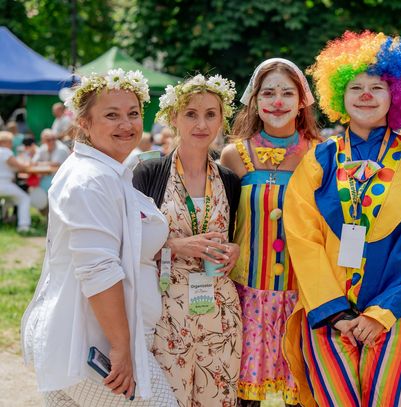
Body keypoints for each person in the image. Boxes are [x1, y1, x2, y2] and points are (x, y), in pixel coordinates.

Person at [281, 31, 401, 407]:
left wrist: (381, 312)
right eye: (355, 87)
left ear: (397, 96)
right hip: (327, 313)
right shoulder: (320, 160)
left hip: (392, 314)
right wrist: (334, 310)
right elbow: (302, 238)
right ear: (340, 95)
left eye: (377, 87)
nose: (366, 94)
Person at [20, 69, 177, 406]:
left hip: (85, 338)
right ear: (84, 123)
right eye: (111, 115)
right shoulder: (91, 179)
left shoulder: (110, 172)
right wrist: (121, 347)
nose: (127, 124)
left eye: (133, 113)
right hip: (89, 343)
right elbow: (98, 268)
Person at [133, 74, 242, 407]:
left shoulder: (229, 180)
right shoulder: (148, 173)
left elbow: (235, 234)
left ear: (222, 119)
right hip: (167, 312)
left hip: (220, 312)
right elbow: (128, 241)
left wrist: (236, 248)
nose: (201, 123)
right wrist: (175, 246)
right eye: (191, 114)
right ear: (173, 118)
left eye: (211, 114)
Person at [220, 58, 320, 406]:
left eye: (287, 93)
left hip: (302, 294)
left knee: (300, 389)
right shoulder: (234, 156)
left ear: (302, 101)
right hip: (248, 294)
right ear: (255, 99)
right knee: (244, 396)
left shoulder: (320, 154)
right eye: (269, 92)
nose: (278, 101)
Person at [0, 130, 32, 233]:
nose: (11, 144)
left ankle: (6, 219)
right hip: (4, 184)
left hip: (5, 185)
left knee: (8, 200)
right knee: (24, 198)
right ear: (2, 142)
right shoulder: (5, 152)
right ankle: (24, 226)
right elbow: (20, 167)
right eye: (9, 142)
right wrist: (28, 164)